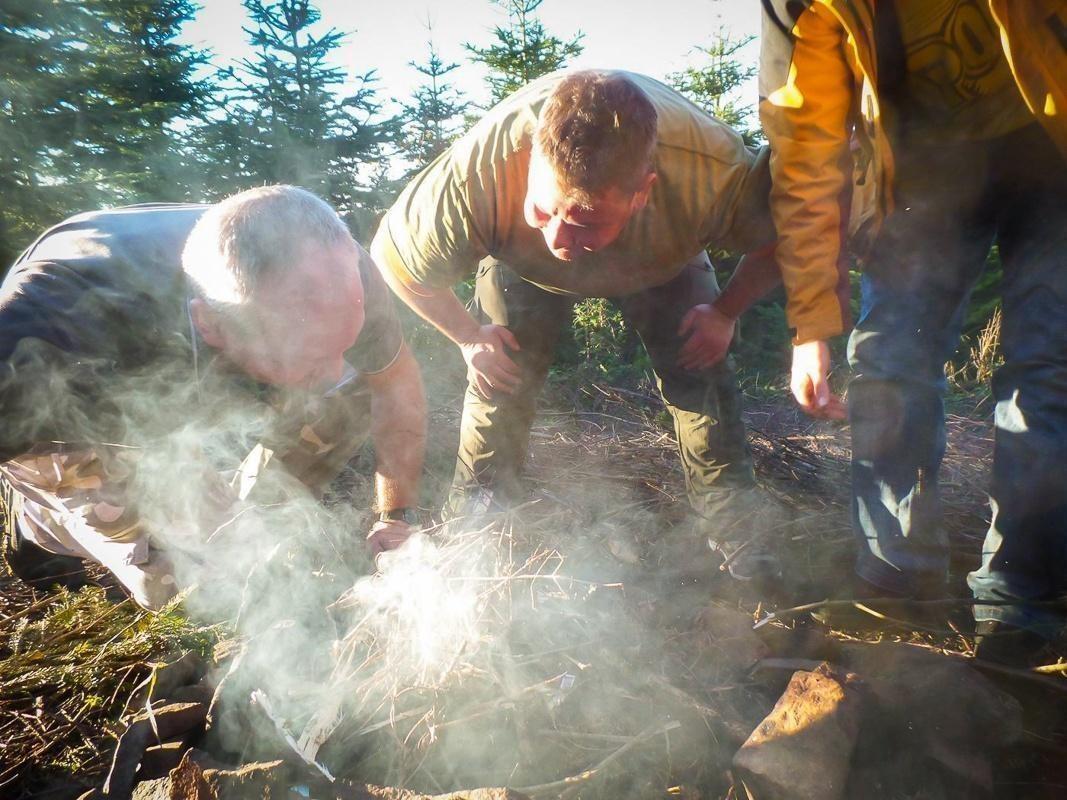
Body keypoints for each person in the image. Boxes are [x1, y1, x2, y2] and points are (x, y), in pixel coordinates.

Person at [371, 69, 784, 581]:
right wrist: (469, 337)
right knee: (500, 377)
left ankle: (737, 532)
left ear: (642, 192)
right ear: (531, 161)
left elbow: (792, 231)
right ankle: (476, 533)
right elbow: (394, 260)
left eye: (585, 221)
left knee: (701, 372)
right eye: (544, 211)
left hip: (665, 259)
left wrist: (725, 312)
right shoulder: (480, 175)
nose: (559, 241)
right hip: (518, 266)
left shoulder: (712, 174)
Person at [759, 0, 1067, 660]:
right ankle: (895, 586)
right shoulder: (801, 5)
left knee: (1049, 368)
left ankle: (1019, 610)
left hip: (1055, 148)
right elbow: (804, 152)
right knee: (888, 358)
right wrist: (810, 323)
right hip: (920, 165)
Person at [0, 186, 427, 610]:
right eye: (312, 356)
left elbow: (396, 386)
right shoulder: (42, 328)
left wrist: (396, 515)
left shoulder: (342, 268)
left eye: (343, 345)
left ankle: (255, 523)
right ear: (209, 323)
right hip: (86, 410)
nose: (333, 373)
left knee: (353, 392)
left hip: (191, 348)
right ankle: (39, 523)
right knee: (196, 588)